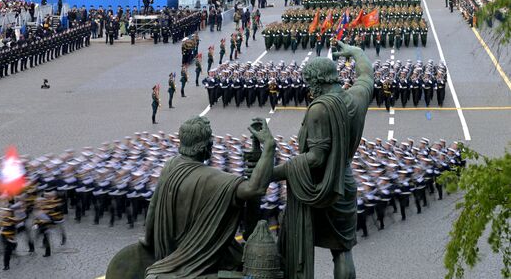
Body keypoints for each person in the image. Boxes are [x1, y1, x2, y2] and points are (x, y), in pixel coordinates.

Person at [106, 116, 275, 279]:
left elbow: (153, 208)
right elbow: (255, 188)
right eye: (210, 140)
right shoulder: (214, 179)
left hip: (167, 253)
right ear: (204, 146)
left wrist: (149, 244)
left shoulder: (170, 165)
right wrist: (268, 146)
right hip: (197, 260)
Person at [272, 41, 374, 279]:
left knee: (296, 236)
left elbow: (316, 159)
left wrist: (274, 172)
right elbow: (367, 74)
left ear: (318, 81)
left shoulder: (320, 108)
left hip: (319, 187)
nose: (309, 90)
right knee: (342, 250)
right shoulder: (356, 98)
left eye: (310, 84)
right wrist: (357, 51)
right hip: (345, 182)